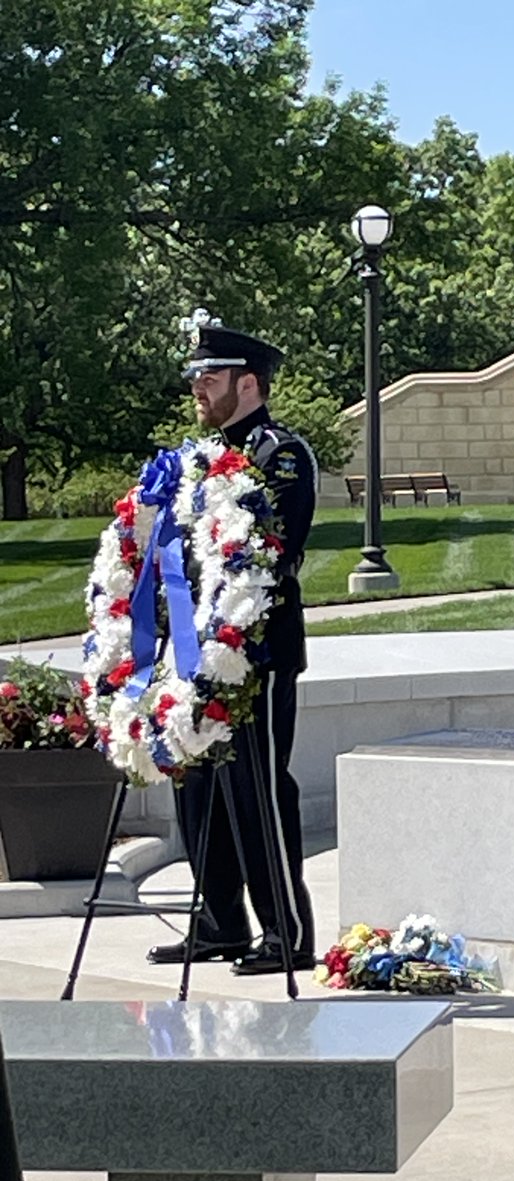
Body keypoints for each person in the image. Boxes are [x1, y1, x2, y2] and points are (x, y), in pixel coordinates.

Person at [148, 316, 318, 975]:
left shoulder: (279, 454)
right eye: (195, 377)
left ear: (248, 384)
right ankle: (218, 921)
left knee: (257, 790)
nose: (198, 388)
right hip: (196, 652)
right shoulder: (199, 460)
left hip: (258, 649)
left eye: (210, 377)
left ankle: (285, 929)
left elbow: (271, 552)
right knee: (195, 789)